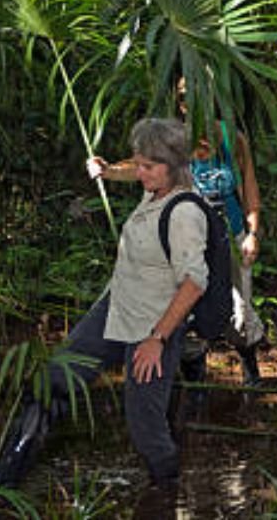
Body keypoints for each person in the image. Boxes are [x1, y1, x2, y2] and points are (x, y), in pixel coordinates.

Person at [0, 118, 206, 497]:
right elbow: (131, 169)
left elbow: (195, 282)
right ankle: (1, 482)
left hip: (152, 325)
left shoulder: (185, 211)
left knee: (145, 426)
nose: (139, 172)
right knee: (53, 380)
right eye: (138, 164)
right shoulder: (153, 187)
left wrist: (157, 339)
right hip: (114, 308)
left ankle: (167, 495)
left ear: (173, 166)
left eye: (147, 167)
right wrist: (106, 171)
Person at [87, 100, 265, 386]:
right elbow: (140, 167)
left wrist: (253, 233)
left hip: (230, 236)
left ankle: (248, 361)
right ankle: (195, 380)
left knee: (239, 309)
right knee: (186, 309)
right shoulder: (175, 140)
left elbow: (249, 185)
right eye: (184, 95)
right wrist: (108, 171)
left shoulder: (230, 136)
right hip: (188, 239)